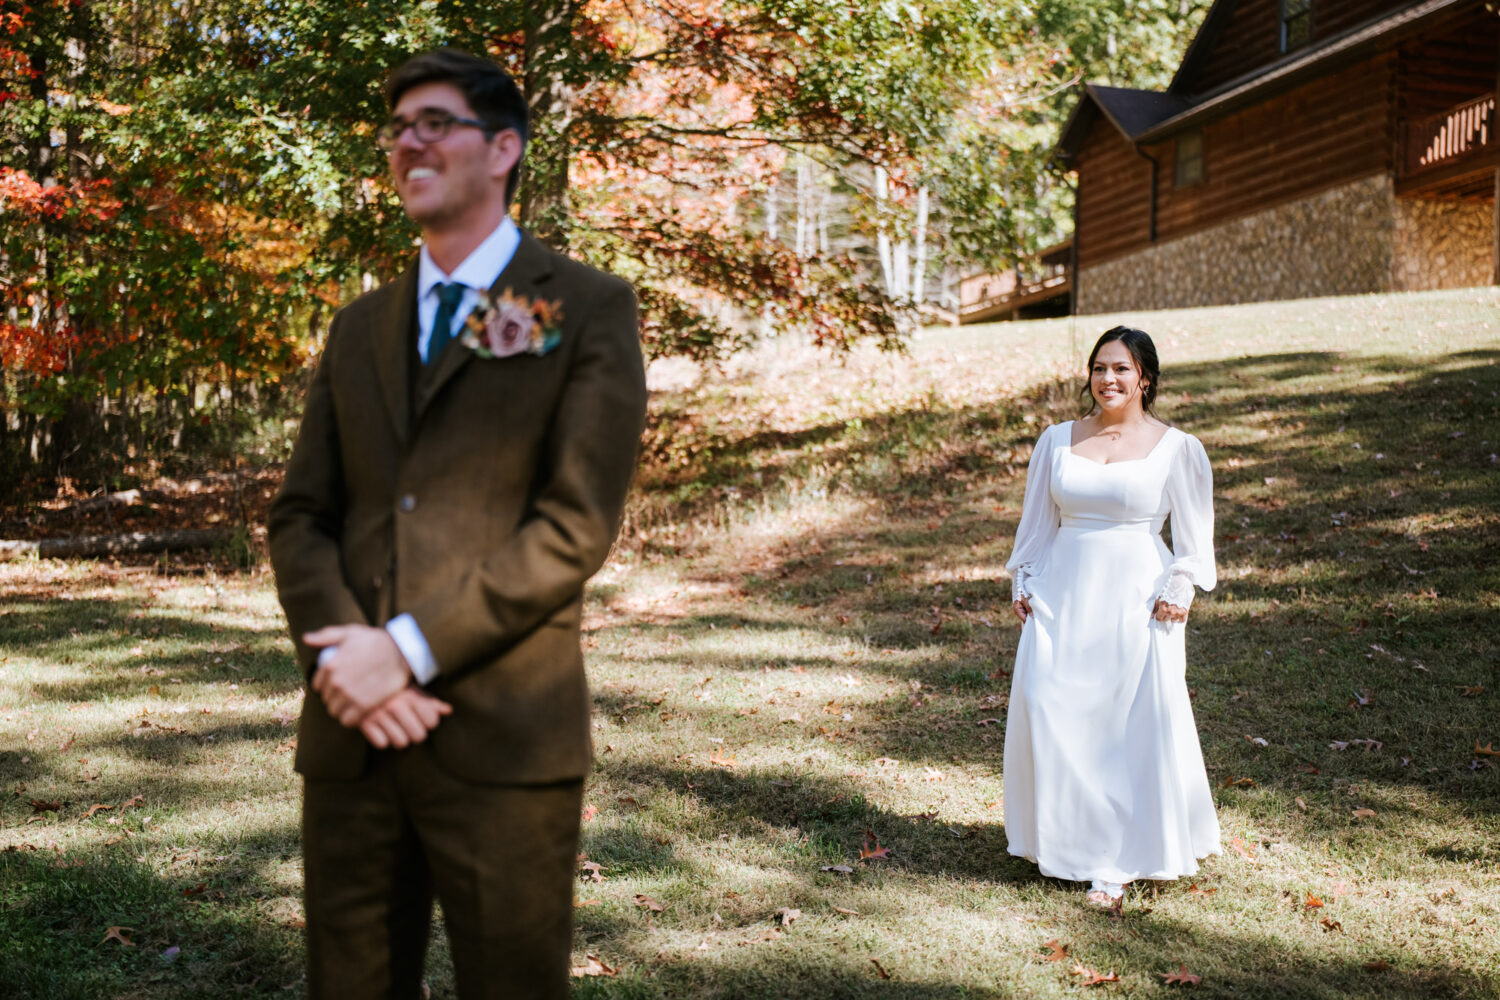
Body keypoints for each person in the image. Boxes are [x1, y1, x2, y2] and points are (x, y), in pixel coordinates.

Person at [267, 49, 647, 999]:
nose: (408, 143)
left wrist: (405, 650)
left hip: (503, 738)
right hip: (351, 735)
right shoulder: (359, 326)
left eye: (434, 122)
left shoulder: (581, 306)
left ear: (504, 148)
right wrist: (345, 661)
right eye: (397, 129)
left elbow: (574, 524)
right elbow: (302, 514)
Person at [1002, 326, 1219, 910]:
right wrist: (1023, 576)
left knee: (1127, 722)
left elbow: (1195, 543)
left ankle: (1114, 860)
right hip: (1062, 594)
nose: (1108, 379)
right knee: (1051, 707)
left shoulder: (1177, 448)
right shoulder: (1056, 441)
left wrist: (1182, 587)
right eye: (1100, 368)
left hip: (1136, 596)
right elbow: (1036, 525)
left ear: (1144, 377)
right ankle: (1063, 840)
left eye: (1121, 369)